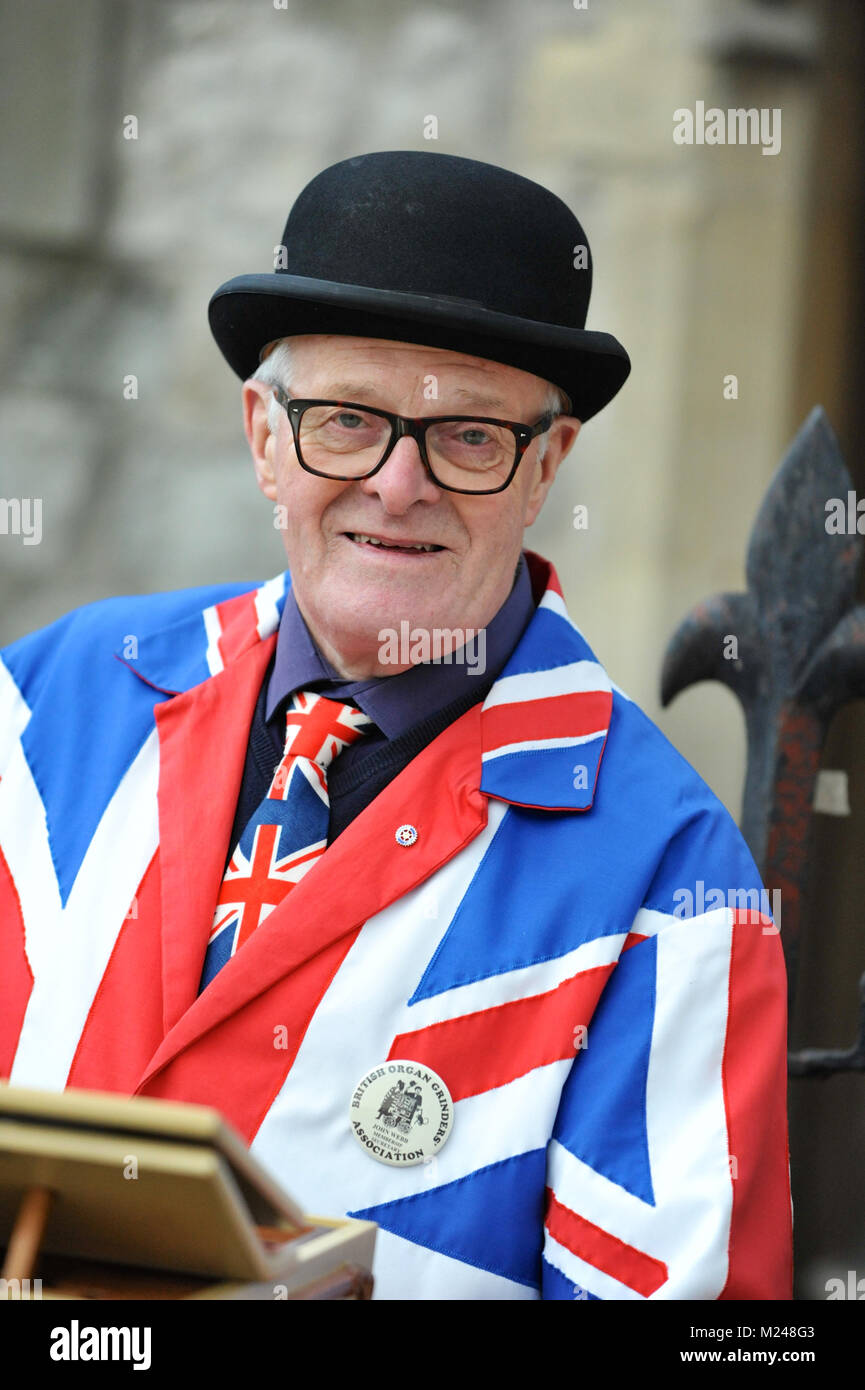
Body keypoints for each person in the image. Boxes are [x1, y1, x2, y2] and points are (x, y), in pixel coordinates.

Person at [0, 150, 791, 1300]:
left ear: (545, 465)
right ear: (264, 438)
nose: (397, 482)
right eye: (345, 419)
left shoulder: (664, 868)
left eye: (469, 436)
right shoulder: (52, 699)